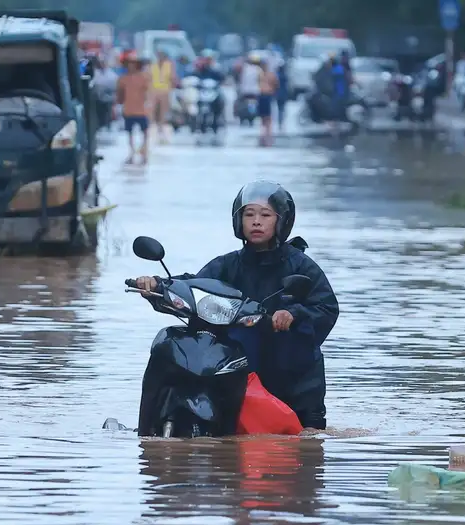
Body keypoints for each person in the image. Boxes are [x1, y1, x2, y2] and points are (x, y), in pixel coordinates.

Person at [132, 181, 339, 430]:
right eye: (249, 214)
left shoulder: (302, 267)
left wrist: (293, 314)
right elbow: (197, 284)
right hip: (235, 368)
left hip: (291, 374)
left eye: (265, 215)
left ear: (282, 221)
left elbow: (326, 308)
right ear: (238, 220)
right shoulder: (228, 265)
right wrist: (157, 285)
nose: (256, 221)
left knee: (303, 446)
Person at [116, 52, 151, 165]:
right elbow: (119, 95)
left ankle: (144, 152)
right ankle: (131, 153)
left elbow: (148, 93)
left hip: (141, 110)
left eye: (133, 64)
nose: (131, 66)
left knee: (145, 132)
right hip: (129, 110)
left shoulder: (144, 78)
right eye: (129, 64)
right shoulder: (123, 79)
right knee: (129, 133)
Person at [148, 50, 178, 144]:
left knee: (163, 113)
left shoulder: (169, 65)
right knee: (152, 112)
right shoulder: (153, 66)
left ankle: (162, 133)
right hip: (153, 91)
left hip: (165, 91)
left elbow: (173, 78)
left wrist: (172, 86)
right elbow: (148, 77)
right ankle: (152, 132)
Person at [258, 59, 278, 146]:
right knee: (263, 116)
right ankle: (264, 133)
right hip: (261, 96)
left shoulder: (270, 75)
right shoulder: (259, 74)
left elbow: (276, 85)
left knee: (268, 117)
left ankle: (268, 133)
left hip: (267, 96)